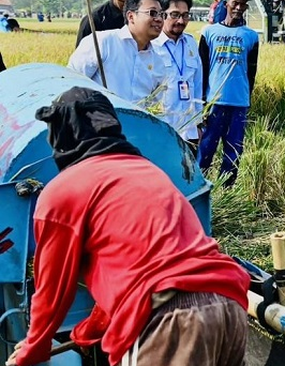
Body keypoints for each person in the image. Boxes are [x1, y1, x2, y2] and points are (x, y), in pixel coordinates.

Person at [5, 87, 249, 366]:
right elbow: (140, 270)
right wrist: (90, 330)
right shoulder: (147, 170)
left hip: (170, 322)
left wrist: (34, 348)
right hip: (228, 305)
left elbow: (53, 291)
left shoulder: (62, 190)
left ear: (61, 134)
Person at [198, 0, 260, 186]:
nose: (239, 7)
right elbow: (203, 69)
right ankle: (201, 187)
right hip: (214, 100)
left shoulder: (251, 36)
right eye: (235, 3)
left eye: (243, 4)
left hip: (239, 102)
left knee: (233, 151)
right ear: (226, 4)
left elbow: (252, 71)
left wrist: (248, 98)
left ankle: (227, 190)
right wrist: (201, 102)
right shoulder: (209, 33)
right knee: (206, 147)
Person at [68, 0, 167, 109]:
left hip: (134, 125)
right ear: (131, 16)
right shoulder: (102, 42)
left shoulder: (157, 61)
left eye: (162, 14)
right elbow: (72, 82)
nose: (159, 19)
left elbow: (154, 105)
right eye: (153, 13)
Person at [152, 0, 204, 151]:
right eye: (174, 14)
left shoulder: (190, 43)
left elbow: (198, 84)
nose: (181, 20)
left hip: (189, 130)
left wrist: (198, 124)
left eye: (185, 15)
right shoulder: (151, 45)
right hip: (161, 128)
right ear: (162, 15)